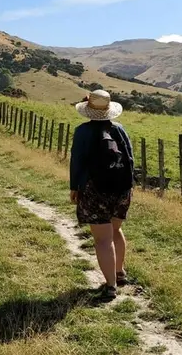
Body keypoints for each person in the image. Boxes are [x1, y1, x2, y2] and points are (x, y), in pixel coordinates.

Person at [69, 90, 134, 301]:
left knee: (102, 240)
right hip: (122, 188)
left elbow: (76, 162)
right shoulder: (120, 129)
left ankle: (110, 287)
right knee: (116, 230)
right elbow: (130, 159)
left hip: (94, 189)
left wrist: (74, 187)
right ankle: (120, 273)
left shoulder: (82, 132)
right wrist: (129, 187)